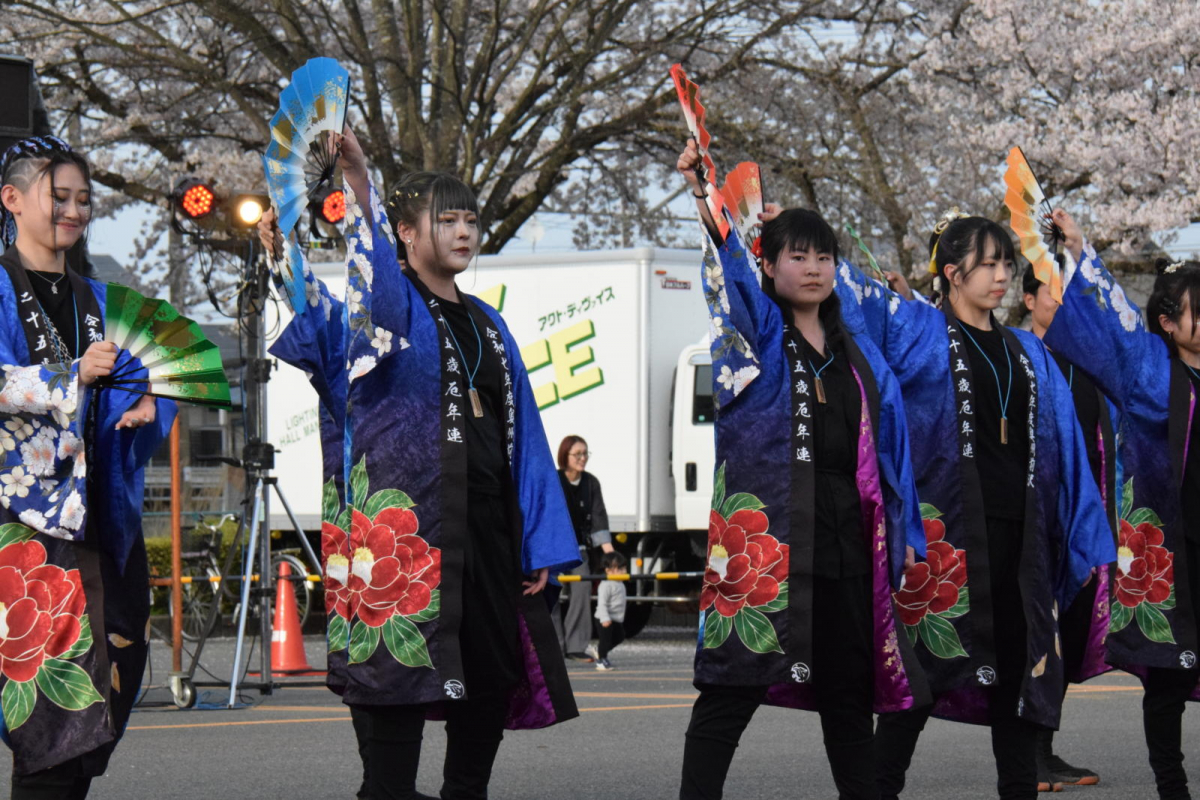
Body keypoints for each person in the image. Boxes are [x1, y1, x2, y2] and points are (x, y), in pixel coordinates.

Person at [287, 127, 580, 800]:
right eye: (446, 220)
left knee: (489, 677)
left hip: (486, 531)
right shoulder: (388, 309)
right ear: (406, 234)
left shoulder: (489, 324)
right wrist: (358, 184)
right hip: (409, 536)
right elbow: (371, 269)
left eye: (471, 220)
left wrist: (536, 540)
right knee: (396, 677)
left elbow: (528, 436)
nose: (464, 232)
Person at [676, 140, 930, 800]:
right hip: (769, 538)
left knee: (849, 698)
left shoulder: (857, 350)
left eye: (823, 257)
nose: (813, 268)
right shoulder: (758, 331)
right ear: (769, 263)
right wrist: (706, 197)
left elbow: (892, 453)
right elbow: (730, 273)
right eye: (797, 256)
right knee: (731, 689)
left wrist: (904, 531)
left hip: (848, 540)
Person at [833, 210, 1115, 799]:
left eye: (1006, 263)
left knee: (1019, 687)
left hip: (1022, 542)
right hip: (948, 541)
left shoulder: (1028, 351)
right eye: (987, 264)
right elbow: (846, 294)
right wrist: (774, 234)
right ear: (952, 273)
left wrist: (1080, 530)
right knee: (919, 684)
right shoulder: (918, 330)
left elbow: (1066, 444)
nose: (1002, 276)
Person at [0, 136, 175, 798]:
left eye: (83, 199)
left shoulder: (104, 300)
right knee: (49, 721)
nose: (74, 211)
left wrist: (144, 404)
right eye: (60, 197)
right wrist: (69, 375)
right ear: (12, 200)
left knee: (103, 698)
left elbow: (147, 381)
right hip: (22, 530)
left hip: (102, 524)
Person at [1041, 208, 1200, 800]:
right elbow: (1114, 318)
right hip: (1170, 547)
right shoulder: (1150, 370)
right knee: (1169, 676)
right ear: (1168, 322)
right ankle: (1172, 786)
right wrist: (1078, 251)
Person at [1021, 264, 1115, 789]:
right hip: (1036, 515)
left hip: (1084, 518)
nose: (1060, 303)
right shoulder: (1017, 357)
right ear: (1028, 299)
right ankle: (1024, 756)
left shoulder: (1088, 365)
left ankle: (1043, 749)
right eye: (1051, 293)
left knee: (1071, 635)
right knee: (1037, 633)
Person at [555, 434, 614, 661]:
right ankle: (554, 647)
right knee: (550, 592)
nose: (582, 458)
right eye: (577, 454)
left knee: (582, 589)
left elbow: (599, 519)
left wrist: (610, 555)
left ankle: (575, 646)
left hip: (578, 549)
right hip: (553, 548)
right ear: (565, 456)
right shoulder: (554, 480)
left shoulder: (591, 483)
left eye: (585, 453)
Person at [594, 551, 628, 671]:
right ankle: (601, 660)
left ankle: (600, 651)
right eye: (620, 569)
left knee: (620, 636)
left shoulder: (620, 583)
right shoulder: (606, 585)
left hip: (615, 618)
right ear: (608, 571)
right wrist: (604, 618)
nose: (624, 572)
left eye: (624, 569)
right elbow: (602, 604)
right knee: (605, 640)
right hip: (604, 618)